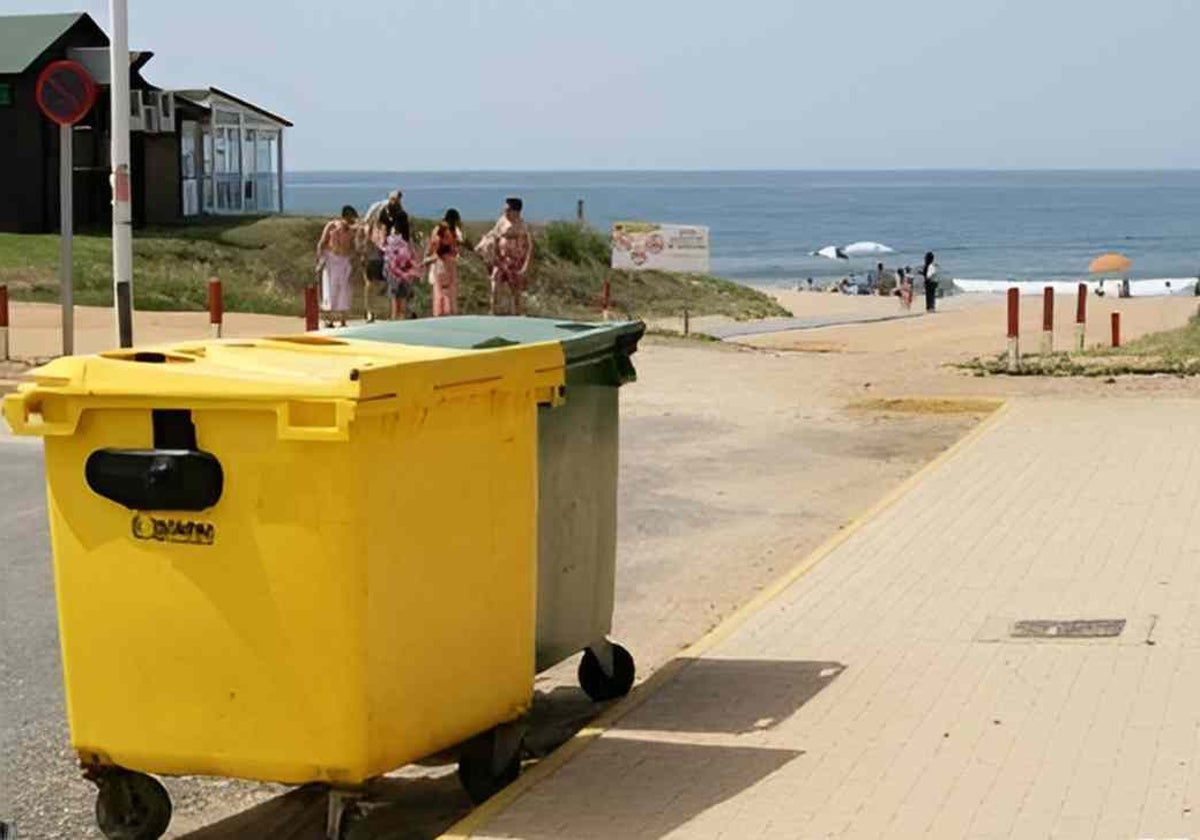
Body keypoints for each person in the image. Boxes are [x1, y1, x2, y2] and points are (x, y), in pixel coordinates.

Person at [478, 197, 534, 315]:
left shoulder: (523, 226)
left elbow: (529, 246)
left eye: (508, 210)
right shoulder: (501, 221)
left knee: (516, 292)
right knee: (495, 288)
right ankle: (493, 312)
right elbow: (493, 235)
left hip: (516, 262)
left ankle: (518, 315)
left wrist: (526, 266)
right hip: (501, 261)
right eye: (505, 210)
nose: (505, 212)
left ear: (516, 211)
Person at [316, 205, 358, 327]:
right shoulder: (332, 226)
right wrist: (320, 260)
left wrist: (353, 257)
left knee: (344, 290)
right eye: (351, 219)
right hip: (332, 259)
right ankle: (329, 319)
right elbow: (322, 243)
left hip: (344, 260)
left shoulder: (351, 231)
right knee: (331, 288)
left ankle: (343, 320)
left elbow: (352, 246)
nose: (352, 222)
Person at [425, 208, 463, 317]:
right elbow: (455, 245)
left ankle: (439, 312)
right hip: (448, 261)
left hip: (439, 262)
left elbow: (432, 245)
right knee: (449, 289)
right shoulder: (451, 231)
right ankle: (449, 310)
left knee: (439, 288)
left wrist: (428, 256)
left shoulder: (437, 230)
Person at [383, 228, 422, 320]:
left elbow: (389, 266)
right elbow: (411, 262)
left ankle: (394, 323)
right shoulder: (407, 247)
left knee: (395, 304)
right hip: (404, 278)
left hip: (394, 278)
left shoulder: (390, 248)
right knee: (402, 303)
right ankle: (401, 323)